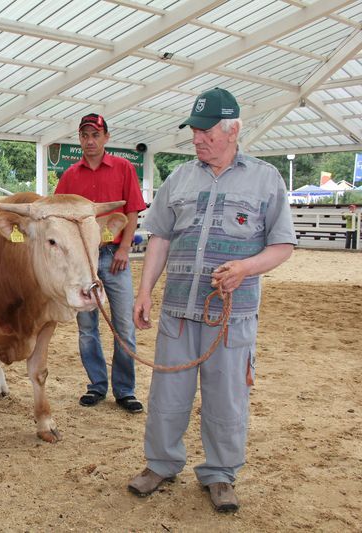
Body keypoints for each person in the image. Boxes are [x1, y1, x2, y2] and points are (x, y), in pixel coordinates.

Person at [127, 87, 296, 513]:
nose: (198, 140)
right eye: (194, 132)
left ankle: (221, 473)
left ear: (233, 130)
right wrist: (145, 290)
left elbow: (282, 245)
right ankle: (161, 464)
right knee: (168, 394)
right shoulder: (179, 178)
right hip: (178, 313)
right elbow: (160, 238)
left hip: (231, 317)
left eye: (206, 132)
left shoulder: (266, 179)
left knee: (227, 398)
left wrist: (245, 269)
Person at [54, 113, 146, 414]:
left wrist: (123, 249)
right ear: (79, 139)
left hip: (113, 256)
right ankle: (96, 385)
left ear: (106, 137)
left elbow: (132, 213)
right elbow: (58, 217)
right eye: (84, 135)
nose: (90, 141)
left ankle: (124, 390)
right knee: (87, 326)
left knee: (123, 324)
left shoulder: (124, 168)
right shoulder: (69, 176)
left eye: (96, 135)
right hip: (83, 260)